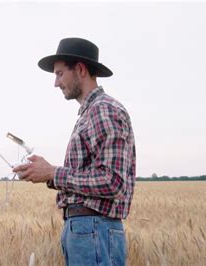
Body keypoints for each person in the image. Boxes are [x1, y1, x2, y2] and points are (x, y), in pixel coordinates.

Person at [13, 37, 136, 266]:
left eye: (60, 73)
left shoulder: (103, 110)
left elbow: (113, 181)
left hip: (94, 229)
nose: (56, 83)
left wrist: (53, 173)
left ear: (79, 69)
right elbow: (89, 176)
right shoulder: (90, 112)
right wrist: (45, 173)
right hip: (88, 229)